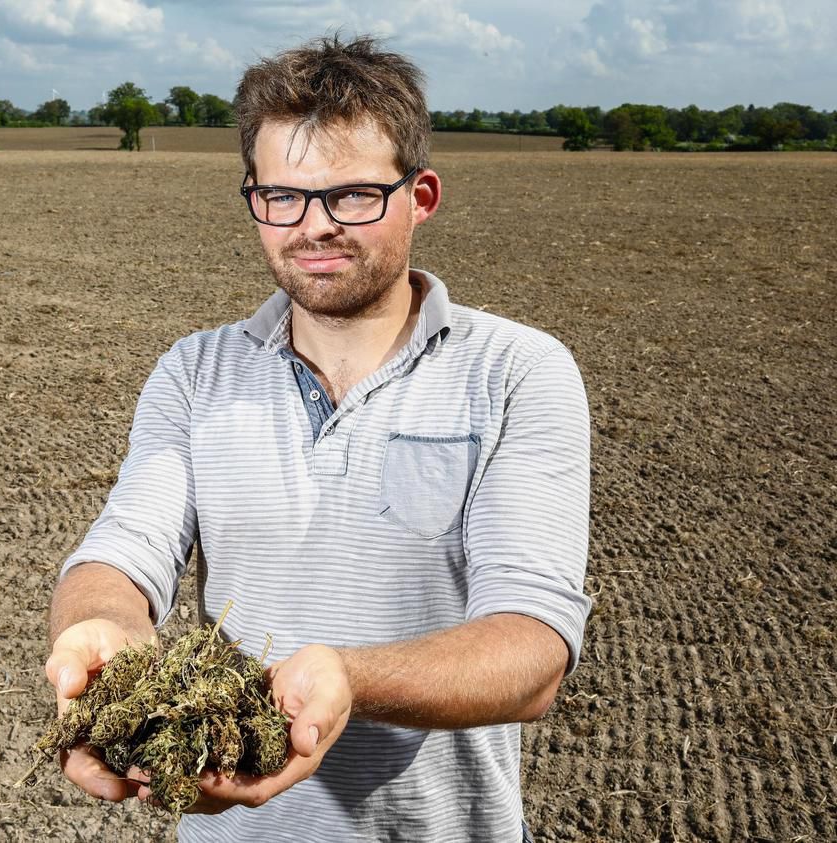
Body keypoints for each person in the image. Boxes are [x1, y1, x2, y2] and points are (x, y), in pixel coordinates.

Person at [43, 34, 591, 843]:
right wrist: (103, 628)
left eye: (353, 195)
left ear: (421, 196)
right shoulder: (196, 371)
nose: (315, 227)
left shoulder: (516, 371)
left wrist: (348, 677)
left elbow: (531, 647)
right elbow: (124, 549)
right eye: (283, 197)